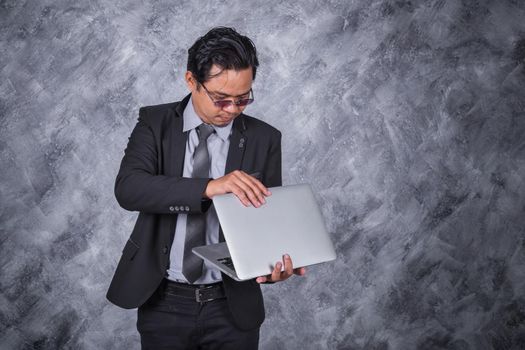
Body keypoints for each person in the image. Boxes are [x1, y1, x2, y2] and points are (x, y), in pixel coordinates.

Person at [106, 26, 306, 349]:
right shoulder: (155, 124)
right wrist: (210, 187)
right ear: (191, 82)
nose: (231, 110)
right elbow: (129, 188)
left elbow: (266, 225)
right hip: (163, 302)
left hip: (232, 308)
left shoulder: (265, 139)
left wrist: (272, 267)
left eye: (242, 100)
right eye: (220, 99)